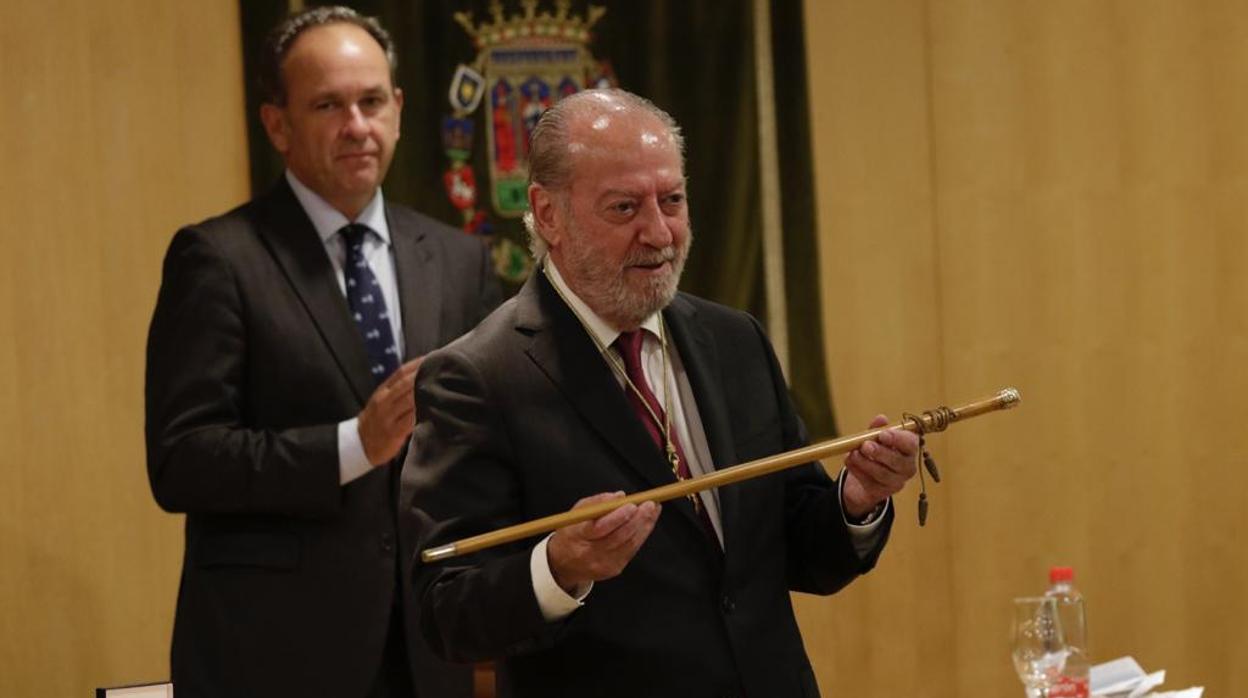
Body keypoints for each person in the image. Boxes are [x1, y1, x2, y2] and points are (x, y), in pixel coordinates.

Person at [402, 88, 919, 697]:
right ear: (547, 214)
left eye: (672, 200)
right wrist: (559, 568)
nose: (659, 232)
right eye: (624, 209)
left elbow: (798, 553)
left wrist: (855, 501)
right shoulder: (477, 378)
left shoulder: (735, 340)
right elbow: (446, 611)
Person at [144, 7, 499, 697]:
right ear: (276, 124)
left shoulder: (460, 260)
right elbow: (181, 461)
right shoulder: (217, 258)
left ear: (397, 109)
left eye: (371, 102)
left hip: (430, 650)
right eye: (328, 105)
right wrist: (353, 446)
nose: (357, 126)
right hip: (276, 652)